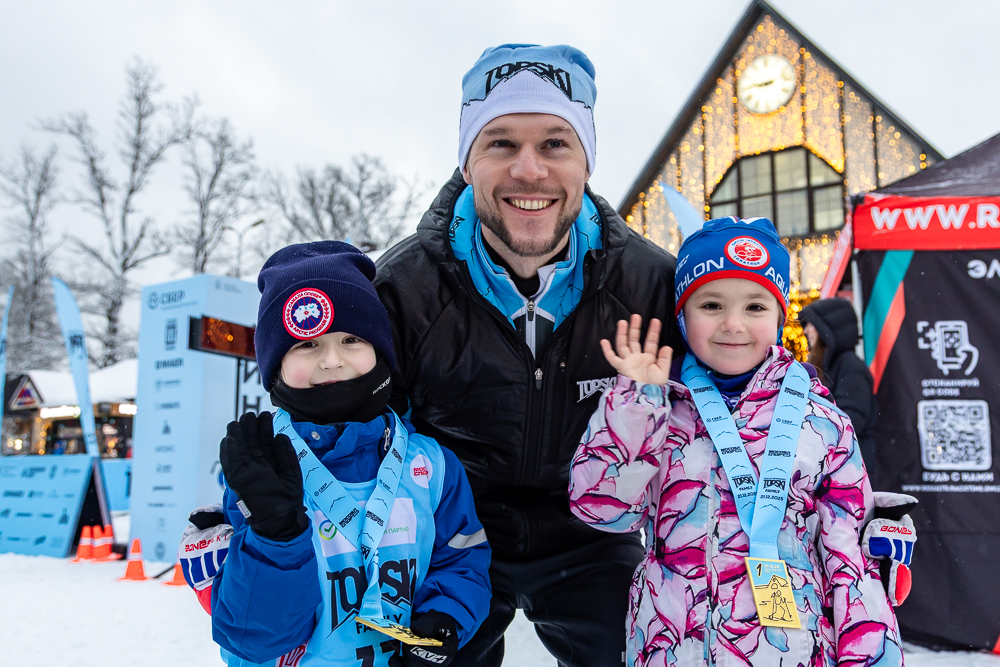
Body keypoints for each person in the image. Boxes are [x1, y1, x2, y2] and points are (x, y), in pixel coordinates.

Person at [374, 44, 682, 666]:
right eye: (501, 143)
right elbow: (342, 416)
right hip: (452, 528)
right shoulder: (404, 287)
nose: (529, 170)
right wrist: (255, 510)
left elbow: (743, 402)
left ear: (586, 162)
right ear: (467, 162)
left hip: (593, 527)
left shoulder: (651, 285)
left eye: (555, 144)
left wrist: (831, 498)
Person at [568, 217, 904, 667]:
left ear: (781, 316)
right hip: (672, 650)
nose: (733, 324)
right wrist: (635, 406)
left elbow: (850, 562)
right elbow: (601, 510)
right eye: (710, 305)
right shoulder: (657, 411)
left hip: (790, 653)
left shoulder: (823, 423)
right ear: (682, 318)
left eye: (755, 307)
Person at [179, 241, 491, 667]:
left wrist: (447, 615)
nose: (331, 360)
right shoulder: (267, 471)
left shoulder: (432, 467)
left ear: (380, 351)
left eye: (350, 339)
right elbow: (256, 638)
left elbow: (463, 557)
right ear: (276, 368)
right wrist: (276, 536)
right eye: (306, 345)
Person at [798, 297, 878, 475]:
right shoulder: (830, 366)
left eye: (812, 324)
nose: (807, 330)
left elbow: (850, 420)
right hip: (837, 465)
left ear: (829, 328)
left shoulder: (850, 365)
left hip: (851, 470)